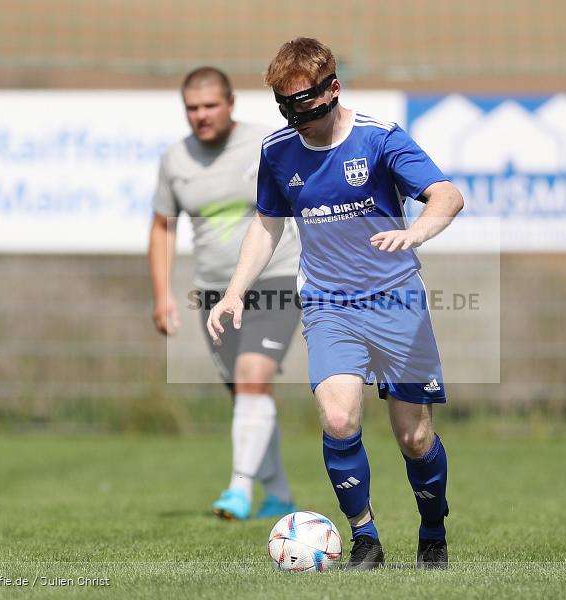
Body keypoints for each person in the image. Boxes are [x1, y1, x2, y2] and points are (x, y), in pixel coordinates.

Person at [207, 39, 464, 570]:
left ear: (332, 89)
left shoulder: (379, 139)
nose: (296, 115)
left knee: (414, 437)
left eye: (304, 102)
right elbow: (267, 223)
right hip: (329, 304)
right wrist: (235, 290)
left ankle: (433, 530)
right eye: (285, 105)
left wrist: (416, 233)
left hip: (397, 302)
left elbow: (446, 196)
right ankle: (365, 538)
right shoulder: (278, 151)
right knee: (340, 416)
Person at [149, 66, 302, 521]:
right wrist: (162, 295)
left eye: (210, 105)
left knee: (253, 377)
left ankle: (238, 489)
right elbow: (161, 227)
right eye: (192, 108)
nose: (201, 115)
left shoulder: (267, 143)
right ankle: (278, 495)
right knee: (246, 398)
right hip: (214, 294)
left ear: (231, 103)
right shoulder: (175, 160)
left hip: (274, 280)